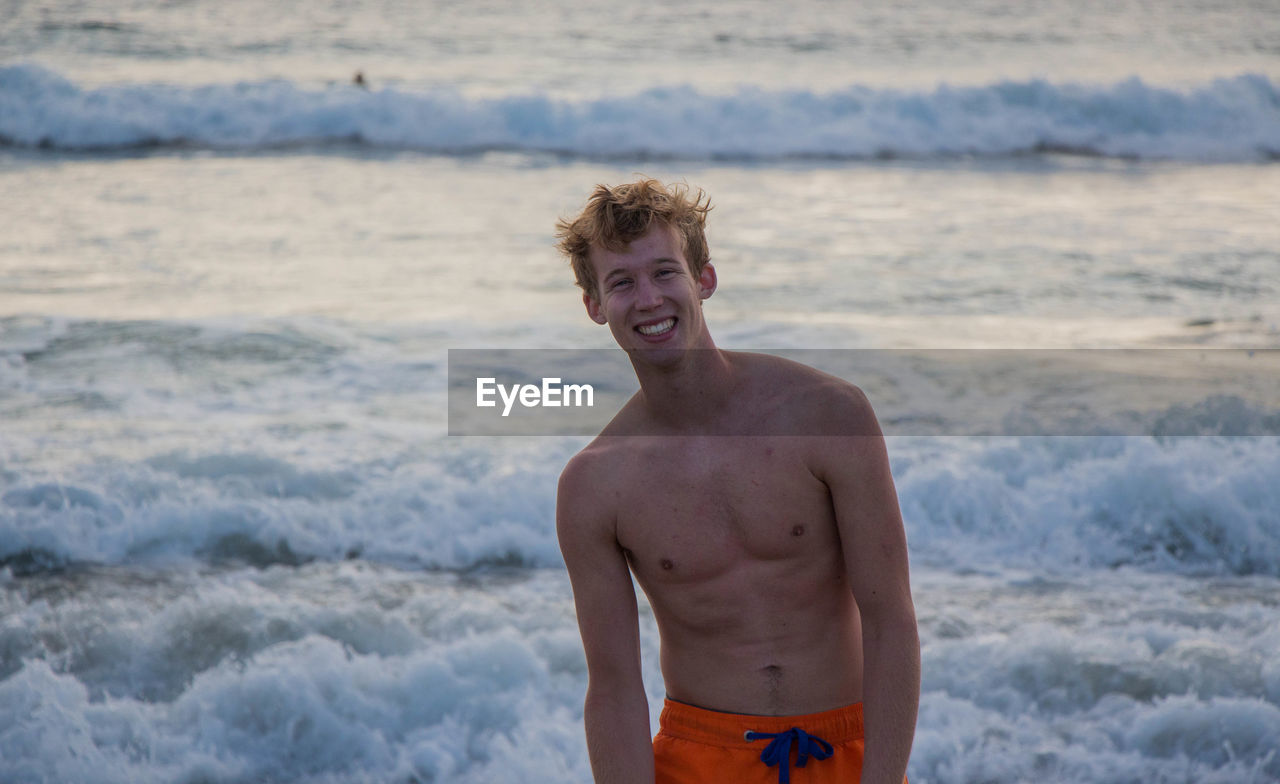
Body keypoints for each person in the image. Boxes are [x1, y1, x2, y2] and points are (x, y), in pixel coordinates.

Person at [554, 179, 919, 784]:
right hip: (698, 759)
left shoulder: (829, 416)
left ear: (704, 279)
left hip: (849, 752)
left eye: (665, 272)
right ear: (595, 305)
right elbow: (614, 687)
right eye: (621, 282)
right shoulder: (596, 486)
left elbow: (891, 619)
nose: (648, 299)